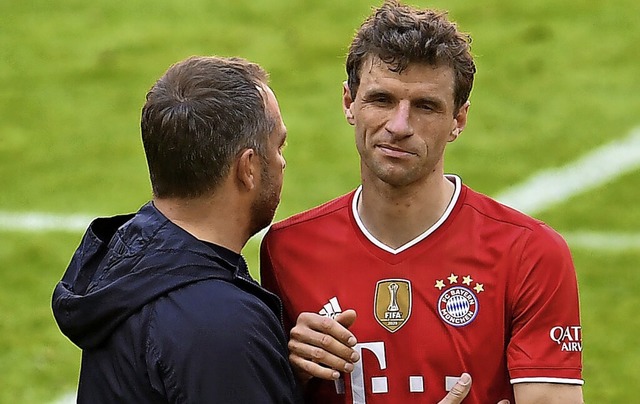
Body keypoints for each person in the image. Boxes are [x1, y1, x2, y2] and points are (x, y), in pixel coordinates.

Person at [260, 1, 584, 403]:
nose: (399, 126)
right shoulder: (289, 249)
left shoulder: (530, 254)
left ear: (458, 120)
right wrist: (292, 372)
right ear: (349, 103)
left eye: (425, 106)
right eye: (381, 100)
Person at [51, 56, 300, 403]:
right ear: (248, 168)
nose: (282, 160)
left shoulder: (126, 264)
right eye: (278, 145)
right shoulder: (222, 328)